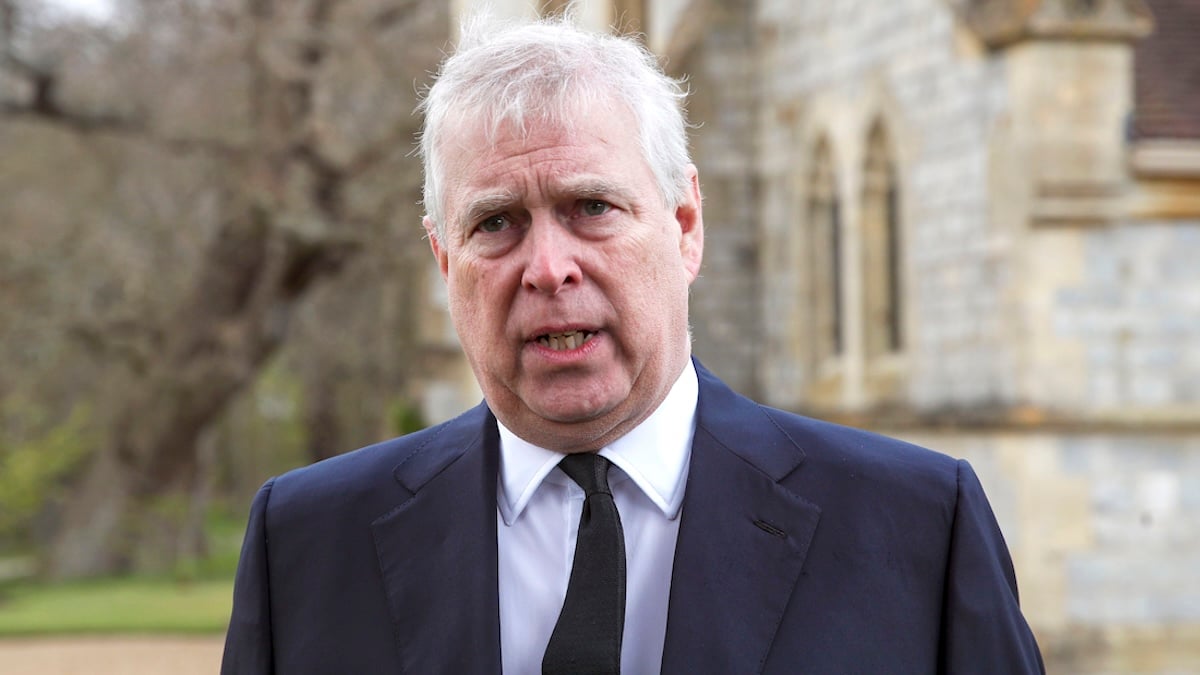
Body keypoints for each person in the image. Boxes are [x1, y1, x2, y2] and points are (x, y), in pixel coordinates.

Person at [221, 14, 1045, 675]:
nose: (548, 268)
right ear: (445, 259)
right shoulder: (305, 545)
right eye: (497, 222)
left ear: (685, 227)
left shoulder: (917, 530)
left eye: (591, 207)